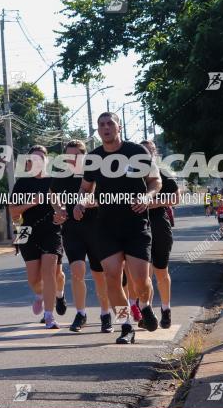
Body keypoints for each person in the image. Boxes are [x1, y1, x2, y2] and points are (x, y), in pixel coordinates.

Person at [75, 112, 161, 344]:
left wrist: (147, 197)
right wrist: (80, 202)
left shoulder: (136, 152)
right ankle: (126, 325)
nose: (106, 128)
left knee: (141, 282)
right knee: (112, 278)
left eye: (110, 123)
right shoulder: (93, 157)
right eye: (101, 125)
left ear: (119, 126)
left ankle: (144, 305)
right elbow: (85, 188)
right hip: (106, 226)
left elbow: (155, 181)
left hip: (135, 224)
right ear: (98, 129)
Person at [51, 139, 112, 333]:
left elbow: (106, 197)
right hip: (72, 230)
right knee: (77, 271)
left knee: (99, 275)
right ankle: (81, 313)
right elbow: (52, 194)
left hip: (97, 229)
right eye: (69, 156)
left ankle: (105, 314)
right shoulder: (61, 175)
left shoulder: (94, 173)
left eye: (76, 156)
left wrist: (87, 203)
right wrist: (59, 208)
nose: (72, 160)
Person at [8, 145, 63, 329]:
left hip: (51, 231)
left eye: (42, 157)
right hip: (26, 231)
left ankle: (49, 316)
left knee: (49, 273)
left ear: (47, 160)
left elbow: (61, 208)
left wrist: (61, 213)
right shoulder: (22, 183)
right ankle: (39, 294)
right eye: (34, 158)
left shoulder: (54, 181)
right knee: (33, 279)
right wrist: (31, 203)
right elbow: (13, 211)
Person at [140, 140, 179, 329]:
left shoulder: (164, 174)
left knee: (161, 271)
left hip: (159, 225)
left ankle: (166, 309)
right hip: (138, 228)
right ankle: (146, 311)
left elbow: (176, 198)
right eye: (142, 152)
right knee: (143, 274)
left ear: (155, 154)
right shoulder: (131, 175)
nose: (146, 154)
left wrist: (150, 203)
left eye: (150, 151)